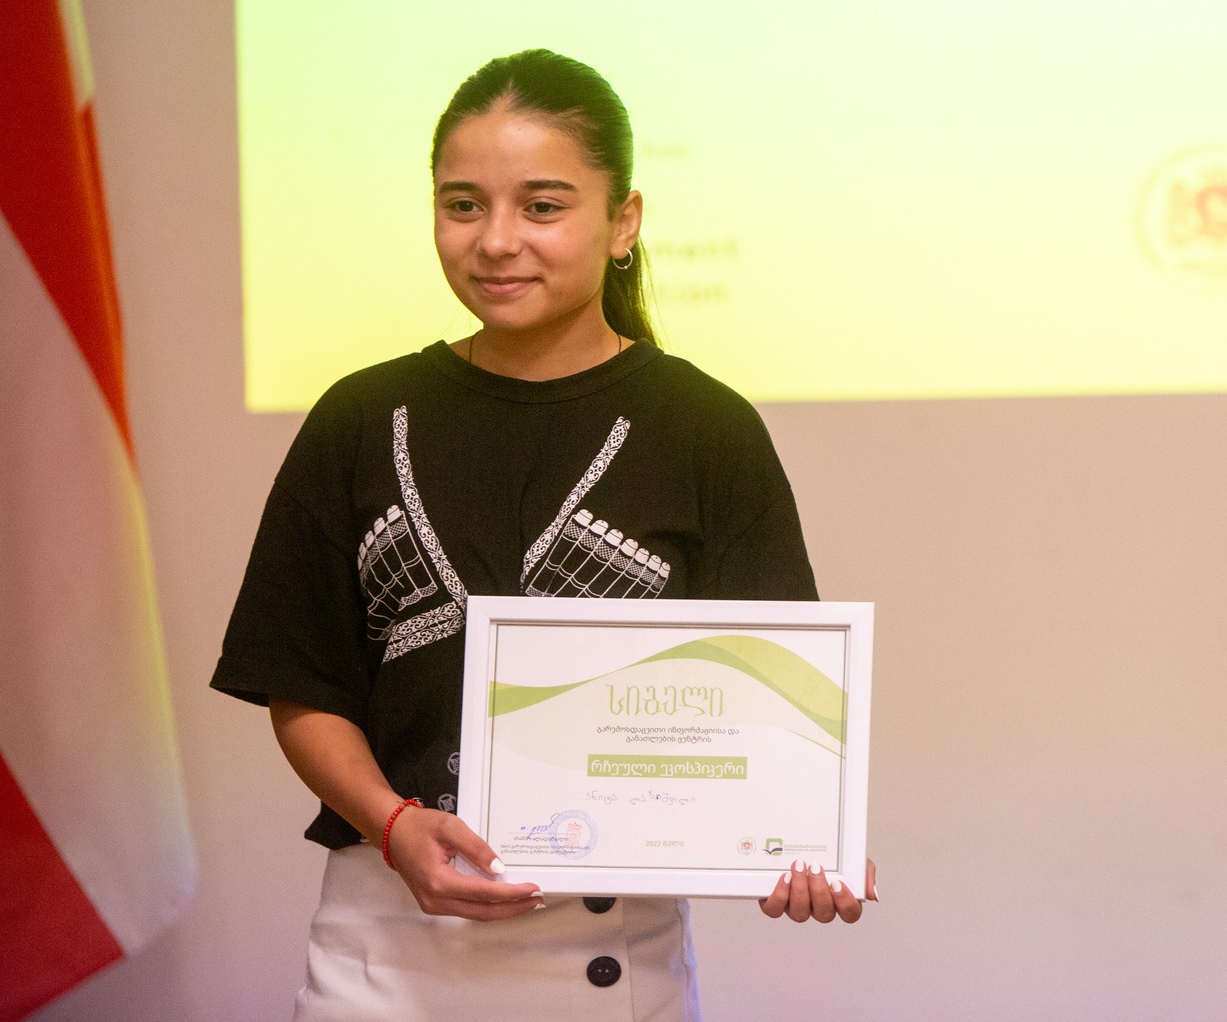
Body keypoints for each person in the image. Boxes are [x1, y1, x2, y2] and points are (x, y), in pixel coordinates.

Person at [211, 50, 874, 1022]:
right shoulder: (359, 417)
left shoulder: (706, 429)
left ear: (624, 221)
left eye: (542, 205)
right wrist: (393, 826)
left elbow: (770, 703)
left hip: (612, 962)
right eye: (463, 204)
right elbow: (302, 683)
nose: (496, 240)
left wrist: (803, 837)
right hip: (381, 957)